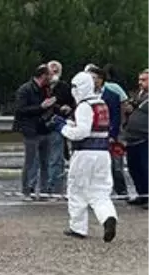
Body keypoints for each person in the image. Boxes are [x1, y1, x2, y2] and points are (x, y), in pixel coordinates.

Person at [52, 71, 117, 242]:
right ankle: (108, 216)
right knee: (101, 192)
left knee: (77, 190)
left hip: (84, 153)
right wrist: (67, 122)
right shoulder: (101, 103)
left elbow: (81, 132)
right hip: (103, 153)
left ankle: (78, 227)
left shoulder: (84, 106)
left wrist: (62, 128)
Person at [14, 65, 56, 200]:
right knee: (30, 162)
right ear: (43, 75)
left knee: (46, 162)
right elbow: (20, 110)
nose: (51, 78)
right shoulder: (25, 89)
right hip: (31, 130)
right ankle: (26, 190)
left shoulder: (47, 90)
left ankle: (44, 192)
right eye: (49, 75)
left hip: (45, 128)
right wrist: (40, 107)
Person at [88, 65, 129, 197]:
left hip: (110, 133)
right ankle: (99, 191)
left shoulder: (112, 95)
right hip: (93, 134)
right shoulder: (88, 95)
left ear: (100, 79)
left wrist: (113, 134)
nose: (92, 81)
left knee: (116, 165)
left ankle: (121, 190)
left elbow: (116, 116)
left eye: (94, 78)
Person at [46, 60, 76, 194]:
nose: (54, 72)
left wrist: (68, 109)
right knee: (42, 158)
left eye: (57, 69)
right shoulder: (41, 86)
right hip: (41, 126)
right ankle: (43, 185)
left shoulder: (64, 87)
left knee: (56, 158)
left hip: (58, 126)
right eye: (52, 69)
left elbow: (72, 104)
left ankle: (54, 186)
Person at [122, 69, 149, 206]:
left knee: (146, 167)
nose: (140, 83)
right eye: (139, 80)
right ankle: (141, 193)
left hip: (146, 137)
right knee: (134, 167)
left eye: (144, 80)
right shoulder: (139, 94)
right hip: (132, 137)